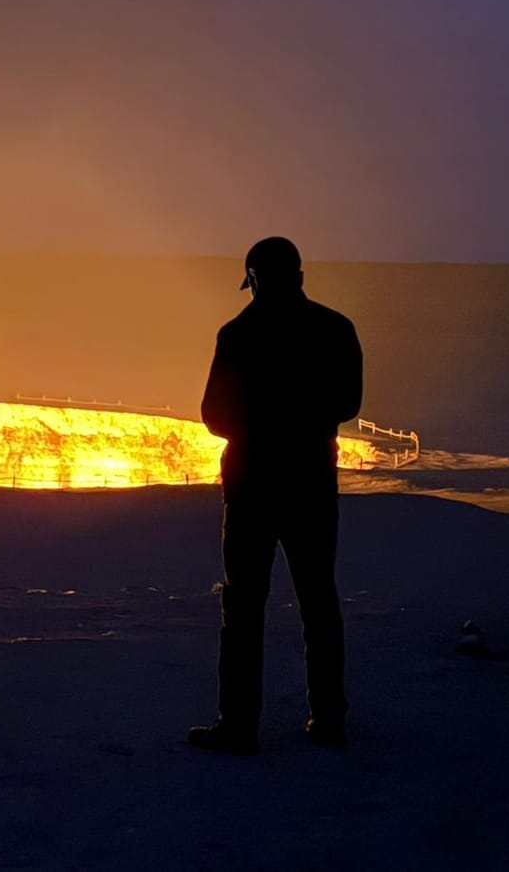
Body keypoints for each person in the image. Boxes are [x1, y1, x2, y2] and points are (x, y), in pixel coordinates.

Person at [188, 236, 362, 754]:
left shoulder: (236, 335)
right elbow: (348, 403)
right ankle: (329, 720)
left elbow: (213, 415)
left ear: (253, 280)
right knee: (318, 600)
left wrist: (259, 429)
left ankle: (239, 725)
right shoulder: (335, 328)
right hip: (311, 482)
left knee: (243, 606)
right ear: (300, 277)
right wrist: (301, 424)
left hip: (251, 485)